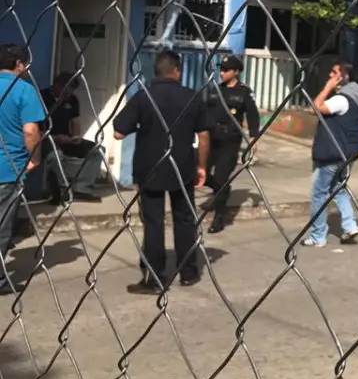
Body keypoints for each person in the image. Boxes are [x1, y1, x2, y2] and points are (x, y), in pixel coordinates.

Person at [113, 50, 212, 293]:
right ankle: (188, 273)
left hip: (150, 168)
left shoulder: (143, 97)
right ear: (177, 71)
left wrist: (142, 127)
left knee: (154, 222)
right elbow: (204, 135)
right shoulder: (192, 96)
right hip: (183, 168)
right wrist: (201, 166)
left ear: (156, 72)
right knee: (185, 220)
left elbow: (118, 132)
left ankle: (154, 279)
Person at [303, 62, 358, 248]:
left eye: (334, 73)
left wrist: (327, 88)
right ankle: (350, 224)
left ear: (343, 77)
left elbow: (315, 107)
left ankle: (318, 236)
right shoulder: (357, 96)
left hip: (333, 154)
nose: (330, 75)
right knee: (338, 188)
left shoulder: (342, 99)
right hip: (347, 153)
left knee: (318, 193)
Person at [0, 45, 45, 295]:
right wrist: (34, 158)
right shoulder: (23, 90)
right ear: (19, 64)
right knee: (2, 223)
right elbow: (30, 131)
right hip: (8, 168)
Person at [204, 56, 260, 234]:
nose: (222, 73)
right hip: (211, 139)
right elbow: (204, 111)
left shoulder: (244, 92)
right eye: (221, 69)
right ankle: (222, 190)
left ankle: (219, 217)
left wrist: (253, 138)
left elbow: (253, 115)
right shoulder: (214, 89)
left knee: (220, 176)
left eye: (226, 70)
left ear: (236, 72)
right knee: (200, 173)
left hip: (230, 141)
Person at [40, 72, 103, 204]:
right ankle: (61, 192)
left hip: (66, 139)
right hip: (45, 139)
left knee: (98, 150)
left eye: (71, 90)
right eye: (66, 89)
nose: (68, 94)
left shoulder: (72, 100)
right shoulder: (41, 97)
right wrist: (56, 137)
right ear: (57, 85)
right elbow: (34, 129)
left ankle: (82, 189)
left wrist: (76, 137)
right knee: (55, 155)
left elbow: (75, 122)